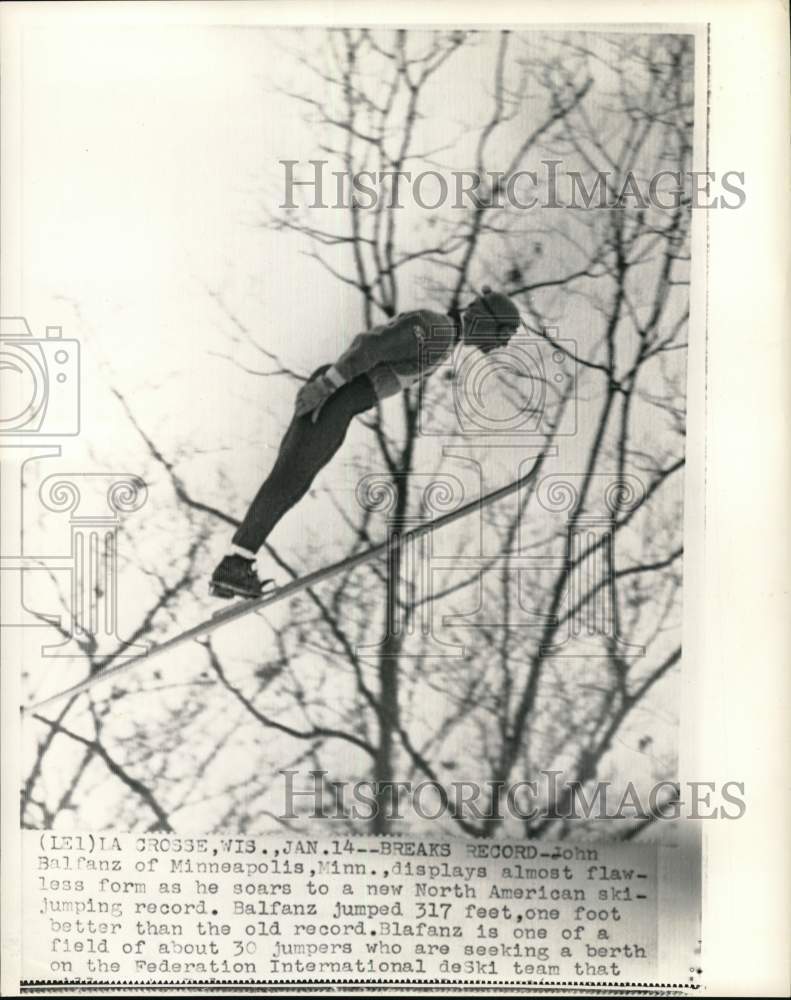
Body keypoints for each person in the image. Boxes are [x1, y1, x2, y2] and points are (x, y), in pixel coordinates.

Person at [210, 287, 521, 598]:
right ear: (484, 319)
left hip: (342, 404)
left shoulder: (444, 338)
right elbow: (371, 345)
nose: (502, 344)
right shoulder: (437, 329)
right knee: (288, 480)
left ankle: (236, 565)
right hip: (336, 398)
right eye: (503, 333)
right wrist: (325, 386)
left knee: (294, 483)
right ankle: (233, 565)